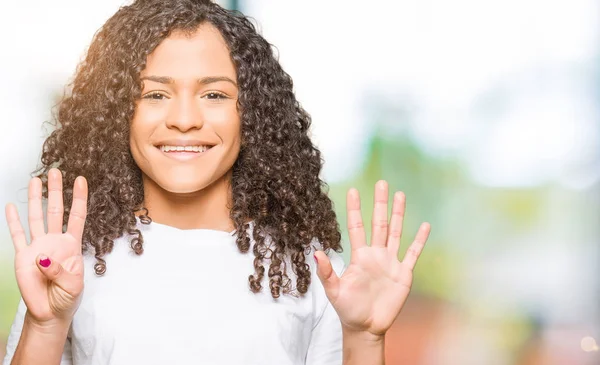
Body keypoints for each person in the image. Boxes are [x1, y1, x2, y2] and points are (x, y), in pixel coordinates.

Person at [3, 0, 431, 364]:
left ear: (253, 114)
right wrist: (46, 324)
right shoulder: (68, 266)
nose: (185, 120)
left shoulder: (313, 274)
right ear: (118, 113)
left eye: (215, 95)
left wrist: (365, 339)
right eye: (154, 94)